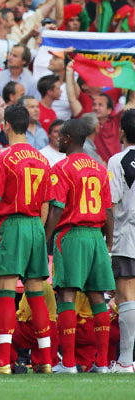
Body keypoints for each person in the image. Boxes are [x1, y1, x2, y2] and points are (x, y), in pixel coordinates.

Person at [0, 104, 54, 375]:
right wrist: (39, 231)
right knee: (37, 293)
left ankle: (3, 361)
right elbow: (47, 203)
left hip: (12, 225)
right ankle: (45, 360)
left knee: (5, 291)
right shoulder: (41, 158)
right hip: (35, 225)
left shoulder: (3, 159)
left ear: (7, 126)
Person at [44, 119, 115, 374]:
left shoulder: (61, 168)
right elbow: (108, 209)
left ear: (67, 138)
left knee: (67, 296)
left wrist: (45, 237)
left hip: (71, 235)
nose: (59, 139)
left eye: (61, 136)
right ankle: (103, 364)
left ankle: (69, 363)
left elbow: (56, 208)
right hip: (96, 236)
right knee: (98, 297)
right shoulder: (99, 167)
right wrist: (108, 241)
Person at [107, 109, 135, 373]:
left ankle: (126, 360)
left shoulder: (118, 161)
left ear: (122, 132)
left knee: (126, 296)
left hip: (127, 236)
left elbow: (110, 205)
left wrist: (109, 242)